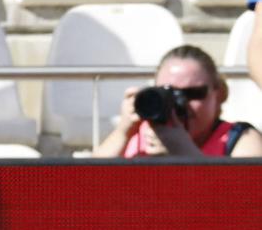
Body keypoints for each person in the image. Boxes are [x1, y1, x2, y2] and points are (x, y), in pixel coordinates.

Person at [93, 45, 262, 158]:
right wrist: (123, 132)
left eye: (193, 93)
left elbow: (243, 202)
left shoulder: (240, 138)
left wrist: (182, 151)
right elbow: (84, 187)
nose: (180, 103)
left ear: (219, 94)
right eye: (169, 93)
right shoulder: (137, 133)